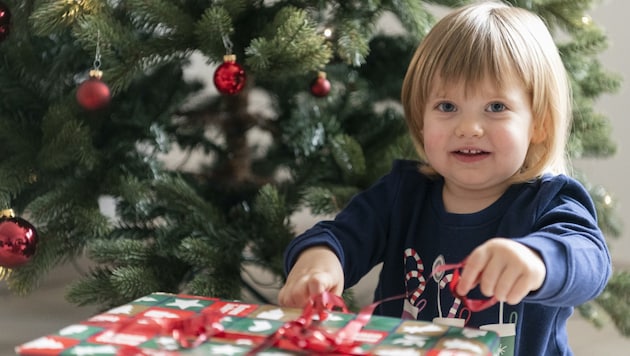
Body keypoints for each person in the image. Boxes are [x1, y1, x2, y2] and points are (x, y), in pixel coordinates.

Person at [278, 1, 612, 355]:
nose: (469, 128)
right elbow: (339, 236)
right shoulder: (402, 195)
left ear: (539, 123)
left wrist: (538, 261)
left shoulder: (549, 202)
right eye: (447, 107)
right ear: (422, 119)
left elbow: (590, 261)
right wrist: (319, 263)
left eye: (496, 107)